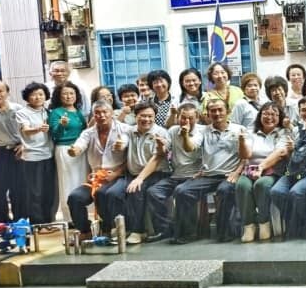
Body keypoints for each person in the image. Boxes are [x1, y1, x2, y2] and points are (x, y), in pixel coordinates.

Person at [170, 99, 250, 244]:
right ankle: (188, 233)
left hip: (229, 175)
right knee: (182, 191)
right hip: (208, 175)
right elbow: (190, 148)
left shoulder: (239, 129)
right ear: (208, 113)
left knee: (224, 190)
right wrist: (185, 135)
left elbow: (246, 157)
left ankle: (225, 233)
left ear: (228, 111)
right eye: (213, 111)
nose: (217, 113)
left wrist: (237, 172)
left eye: (220, 110)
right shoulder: (204, 131)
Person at [225, 101, 290, 243]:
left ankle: (264, 223)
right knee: (242, 185)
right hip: (250, 170)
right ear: (260, 116)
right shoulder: (251, 132)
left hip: (273, 171)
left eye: (274, 114)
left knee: (262, 185)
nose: (269, 117)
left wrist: (261, 167)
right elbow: (246, 155)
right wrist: (242, 142)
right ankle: (249, 225)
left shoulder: (283, 133)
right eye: (265, 113)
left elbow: (279, 153)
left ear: (280, 117)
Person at [107, 103, 170, 244]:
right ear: (136, 117)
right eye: (143, 116)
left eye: (150, 116)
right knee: (113, 193)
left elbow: (157, 158)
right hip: (132, 174)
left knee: (136, 190)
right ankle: (121, 228)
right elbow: (123, 141)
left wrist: (140, 178)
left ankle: (138, 231)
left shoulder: (160, 132)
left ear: (155, 117)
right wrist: (120, 145)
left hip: (155, 173)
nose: (146, 119)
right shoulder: (130, 131)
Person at [65, 101, 128, 240]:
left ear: (112, 113)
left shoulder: (124, 129)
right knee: (75, 197)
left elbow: (126, 145)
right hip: (96, 178)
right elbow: (79, 145)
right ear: (93, 115)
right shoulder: (88, 132)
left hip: (119, 175)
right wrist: (74, 150)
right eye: (97, 113)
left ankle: (108, 229)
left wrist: (116, 173)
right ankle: (85, 231)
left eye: (105, 112)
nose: (102, 115)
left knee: (103, 193)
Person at [270, 95, 306, 239]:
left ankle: (303, 227)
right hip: (294, 171)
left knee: (296, 192)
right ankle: (296, 223)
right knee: (276, 191)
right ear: (299, 112)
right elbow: (293, 158)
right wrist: (290, 151)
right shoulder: (297, 131)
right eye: (303, 110)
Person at [144, 103, 203, 242]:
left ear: (197, 118)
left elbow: (190, 147)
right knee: (154, 192)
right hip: (176, 175)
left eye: (190, 118)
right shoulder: (172, 130)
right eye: (183, 118)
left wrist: (185, 135)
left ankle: (189, 233)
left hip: (195, 176)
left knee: (183, 192)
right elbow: (164, 151)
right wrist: (160, 145)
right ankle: (165, 229)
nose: (186, 121)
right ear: (178, 117)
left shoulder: (201, 132)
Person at [15, 82, 55, 225]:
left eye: (41, 94)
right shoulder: (22, 113)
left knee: (48, 191)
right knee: (35, 193)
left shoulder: (48, 112)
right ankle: (37, 224)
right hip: (32, 158)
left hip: (49, 155)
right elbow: (25, 130)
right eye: (33, 95)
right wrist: (38, 128)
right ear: (27, 97)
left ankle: (48, 222)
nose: (37, 97)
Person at [0, 80, 23, 225]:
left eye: (0, 91)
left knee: (19, 188)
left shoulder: (18, 109)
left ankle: (20, 221)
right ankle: (0, 223)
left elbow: (28, 131)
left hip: (17, 151)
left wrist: (24, 145)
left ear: (7, 92)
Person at [48, 82, 87, 223]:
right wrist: (61, 125)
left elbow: (85, 132)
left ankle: (84, 216)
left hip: (80, 150)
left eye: (72, 93)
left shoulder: (78, 112)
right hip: (64, 150)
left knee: (82, 182)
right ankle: (70, 218)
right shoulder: (56, 112)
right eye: (65, 93)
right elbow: (54, 134)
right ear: (59, 96)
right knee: (68, 183)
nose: (69, 96)